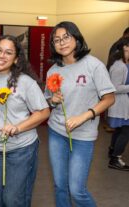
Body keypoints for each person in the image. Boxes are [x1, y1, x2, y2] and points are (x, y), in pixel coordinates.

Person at [44, 21, 115, 207]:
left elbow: (109, 99)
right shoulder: (53, 70)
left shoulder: (94, 65)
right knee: (60, 185)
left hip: (83, 135)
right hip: (56, 132)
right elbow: (47, 100)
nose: (62, 42)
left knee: (77, 190)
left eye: (66, 37)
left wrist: (84, 116)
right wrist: (53, 101)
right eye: (57, 40)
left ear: (77, 38)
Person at [0, 35, 50, 207]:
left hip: (22, 150)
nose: (1, 56)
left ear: (16, 59)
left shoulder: (25, 82)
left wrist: (17, 127)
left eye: (8, 53)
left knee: (13, 200)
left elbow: (44, 112)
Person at [107, 37, 129, 171]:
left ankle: (113, 152)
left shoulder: (123, 64)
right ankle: (115, 158)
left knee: (120, 129)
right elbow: (115, 87)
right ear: (125, 47)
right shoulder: (118, 66)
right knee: (126, 131)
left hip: (124, 104)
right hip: (120, 104)